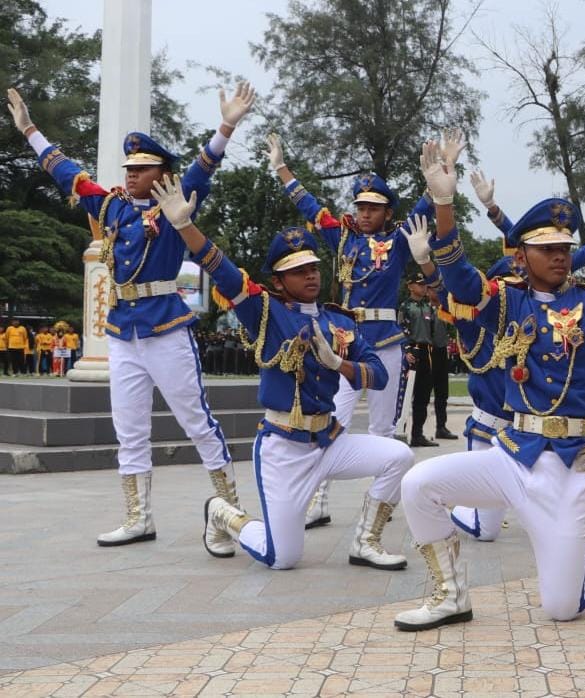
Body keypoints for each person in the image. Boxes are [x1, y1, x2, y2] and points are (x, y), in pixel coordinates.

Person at [394, 140, 585, 631]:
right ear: (523, 255)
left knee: (562, 609)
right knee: (418, 483)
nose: (560, 257)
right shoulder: (507, 300)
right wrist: (445, 206)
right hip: (513, 454)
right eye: (547, 249)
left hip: (572, 464)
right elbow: (460, 283)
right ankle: (451, 595)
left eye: (564, 248)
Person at [7, 84, 255, 547]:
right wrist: (30, 130)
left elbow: (204, 167)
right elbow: (69, 175)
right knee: (130, 429)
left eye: (143, 168)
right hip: (123, 331)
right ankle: (138, 516)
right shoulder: (112, 206)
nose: (133, 174)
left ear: (163, 173)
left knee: (196, 420)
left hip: (165, 326)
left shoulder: (177, 202)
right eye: (130, 168)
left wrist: (226, 126)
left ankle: (230, 513)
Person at [149, 175, 415, 571]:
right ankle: (224, 513)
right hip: (284, 450)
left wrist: (339, 364)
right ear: (278, 280)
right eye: (297, 270)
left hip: (328, 442)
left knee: (399, 456)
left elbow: (379, 375)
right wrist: (186, 227)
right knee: (282, 558)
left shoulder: (338, 321)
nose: (310, 275)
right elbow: (222, 271)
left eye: (313, 267)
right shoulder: (266, 313)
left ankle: (366, 541)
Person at [268, 132, 450, 527]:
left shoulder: (400, 240)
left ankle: (377, 510)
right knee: (334, 419)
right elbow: (311, 207)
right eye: (361, 206)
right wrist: (282, 169)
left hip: (384, 340)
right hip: (345, 341)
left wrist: (438, 176)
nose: (365, 213)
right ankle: (318, 500)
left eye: (374, 208)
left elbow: (427, 207)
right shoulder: (344, 235)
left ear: (387, 212)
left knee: (384, 428)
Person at [448, 171, 585, 543]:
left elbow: (564, 249)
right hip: (494, 429)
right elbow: (458, 281)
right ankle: (460, 505)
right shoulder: (494, 309)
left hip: (538, 437)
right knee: (484, 528)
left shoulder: (568, 302)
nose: (556, 258)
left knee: (560, 549)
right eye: (510, 273)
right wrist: (451, 212)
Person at [400, 273, 445, 447]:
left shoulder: (429, 307)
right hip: (412, 350)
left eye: (424, 284)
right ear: (410, 286)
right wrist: (405, 349)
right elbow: (400, 329)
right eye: (419, 284)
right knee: (405, 395)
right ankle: (399, 432)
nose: (423, 287)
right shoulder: (405, 306)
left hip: (427, 352)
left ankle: (417, 434)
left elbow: (435, 331)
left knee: (423, 396)